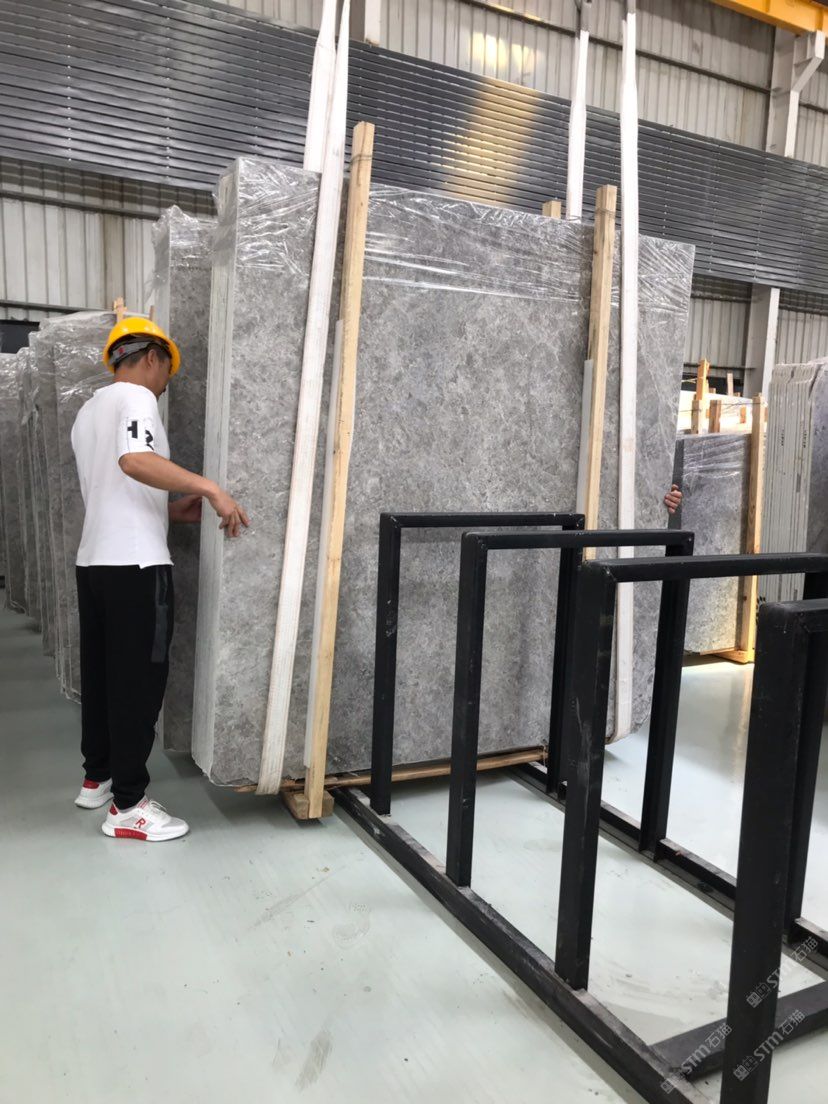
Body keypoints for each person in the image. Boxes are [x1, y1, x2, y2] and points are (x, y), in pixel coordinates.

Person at [70, 317, 248, 842]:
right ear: (152, 357)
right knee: (138, 685)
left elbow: (111, 490)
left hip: (95, 564)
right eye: (169, 369)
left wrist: (170, 511)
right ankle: (128, 806)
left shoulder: (88, 412)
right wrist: (211, 489)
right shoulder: (137, 398)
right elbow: (134, 461)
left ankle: (98, 778)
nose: (168, 382)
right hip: (137, 568)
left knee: (103, 677)